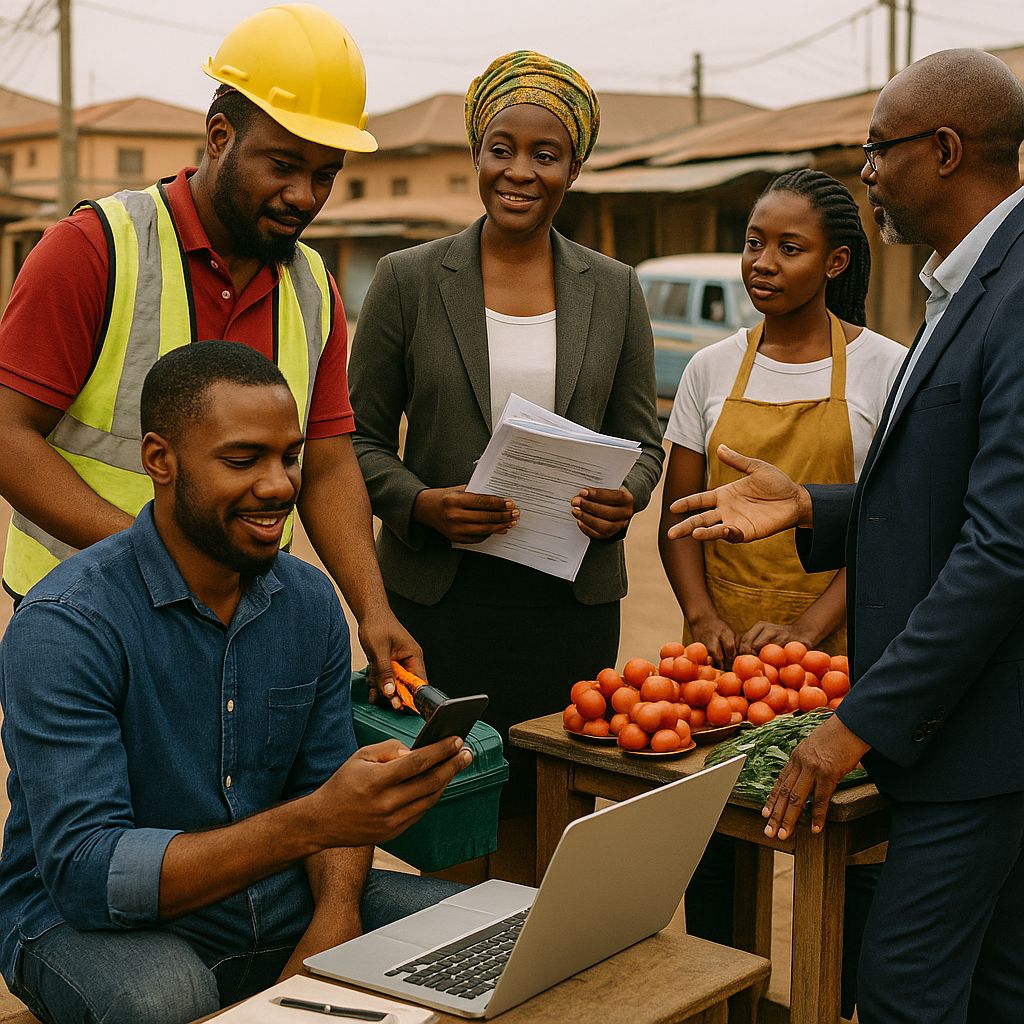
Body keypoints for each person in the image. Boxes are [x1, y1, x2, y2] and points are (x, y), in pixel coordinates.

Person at [668, 49, 1024, 1024]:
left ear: (944, 150)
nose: (866, 172)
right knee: (994, 991)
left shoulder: (1014, 292)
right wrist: (817, 507)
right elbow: (945, 499)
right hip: (971, 735)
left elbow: (1000, 553)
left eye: (878, 150)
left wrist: (853, 723)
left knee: (901, 994)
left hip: (979, 739)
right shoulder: (970, 282)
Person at [0, 342, 470, 1024]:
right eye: (243, 460)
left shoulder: (307, 602)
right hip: (82, 919)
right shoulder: (67, 625)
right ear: (160, 461)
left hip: (279, 895)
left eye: (289, 456)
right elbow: (87, 876)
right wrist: (314, 821)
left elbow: (323, 783)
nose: (279, 485)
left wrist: (334, 919)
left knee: (487, 928)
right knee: (163, 1000)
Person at [0, 5, 421, 699]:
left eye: (324, 174)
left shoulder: (312, 286)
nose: (303, 196)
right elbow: (9, 436)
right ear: (219, 136)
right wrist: (165, 562)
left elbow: (328, 464)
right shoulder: (96, 250)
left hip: (243, 627)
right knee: (88, 809)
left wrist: (372, 610)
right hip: (84, 623)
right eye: (282, 165)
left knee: (246, 810)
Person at [349, 51, 664, 819]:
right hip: (440, 600)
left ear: (574, 168)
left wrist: (623, 498)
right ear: (476, 155)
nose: (519, 171)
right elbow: (352, 443)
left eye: (544, 154)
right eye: (501, 149)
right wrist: (422, 504)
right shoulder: (408, 279)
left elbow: (643, 442)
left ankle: (535, 943)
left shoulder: (615, 289)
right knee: (452, 804)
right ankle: (461, 945)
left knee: (553, 803)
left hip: (569, 605)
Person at [659, 168, 904, 1019]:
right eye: (755, 241)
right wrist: (701, 612)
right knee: (720, 845)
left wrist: (808, 625)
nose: (761, 261)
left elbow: (889, 528)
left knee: (845, 855)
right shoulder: (708, 369)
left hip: (841, 657)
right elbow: (679, 517)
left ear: (836, 262)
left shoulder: (884, 369)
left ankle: (833, 1000)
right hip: (728, 663)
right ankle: (732, 1001)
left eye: (788, 247)